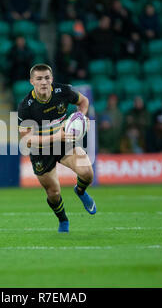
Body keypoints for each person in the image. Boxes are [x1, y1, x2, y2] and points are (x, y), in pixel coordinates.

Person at [17, 64, 96, 233]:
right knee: (53, 193)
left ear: (51, 79)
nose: (43, 82)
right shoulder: (25, 106)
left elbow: (83, 102)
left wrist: (81, 118)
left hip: (65, 142)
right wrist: (56, 137)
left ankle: (80, 191)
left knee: (87, 173)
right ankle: (63, 220)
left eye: (46, 78)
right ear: (32, 81)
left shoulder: (63, 91)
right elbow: (27, 140)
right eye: (39, 79)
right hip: (41, 150)